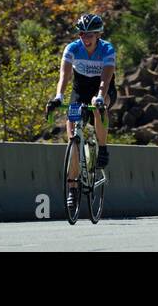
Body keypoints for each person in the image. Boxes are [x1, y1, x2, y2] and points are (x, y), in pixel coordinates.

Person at [46, 13, 117, 213]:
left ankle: (102, 148)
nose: (86, 38)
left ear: (98, 35)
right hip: (80, 91)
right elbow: (65, 75)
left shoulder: (107, 49)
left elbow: (106, 79)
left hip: (103, 89)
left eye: (90, 35)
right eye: (83, 34)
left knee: (97, 104)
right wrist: (58, 96)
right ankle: (72, 189)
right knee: (73, 141)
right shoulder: (72, 48)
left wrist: (101, 97)